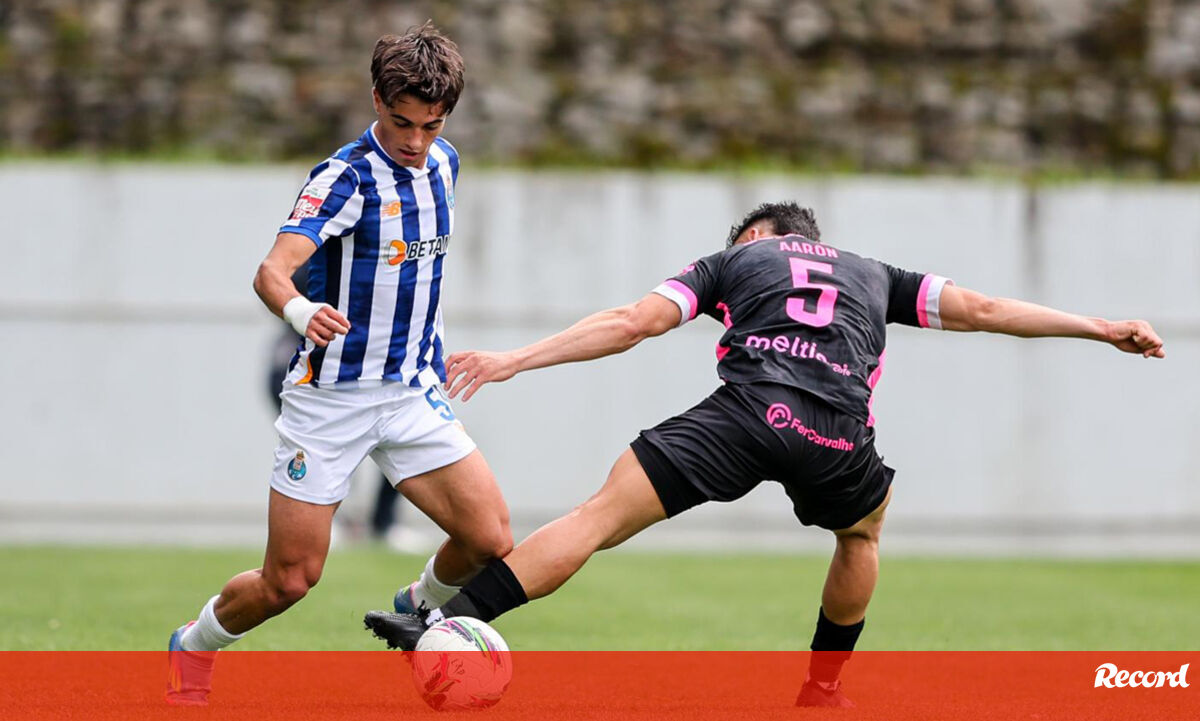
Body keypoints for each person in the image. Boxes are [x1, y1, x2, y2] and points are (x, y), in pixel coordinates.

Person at [362, 201, 1165, 707]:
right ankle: (823, 687)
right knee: (862, 532)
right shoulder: (876, 275)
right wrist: (1101, 327)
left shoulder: (735, 260)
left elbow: (634, 322)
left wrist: (514, 358)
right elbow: (984, 308)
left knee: (598, 516)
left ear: (762, 238)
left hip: (744, 414)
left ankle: (447, 619)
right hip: (836, 432)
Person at [166, 24, 514, 706]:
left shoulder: (445, 165)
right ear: (377, 100)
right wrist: (302, 312)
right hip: (330, 399)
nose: (416, 141)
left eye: (432, 125)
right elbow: (272, 272)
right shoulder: (344, 178)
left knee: (488, 537)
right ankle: (195, 644)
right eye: (402, 122)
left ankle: (417, 607)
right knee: (290, 580)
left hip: (409, 391)